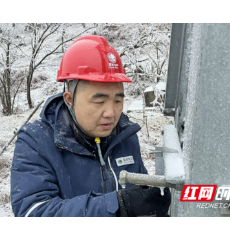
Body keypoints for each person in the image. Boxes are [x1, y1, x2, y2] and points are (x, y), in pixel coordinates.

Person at [11, 35, 171, 217]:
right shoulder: (36, 141)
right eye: (99, 101)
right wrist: (117, 205)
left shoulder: (125, 135)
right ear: (70, 100)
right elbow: (33, 211)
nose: (111, 112)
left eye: (118, 100)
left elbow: (137, 195)